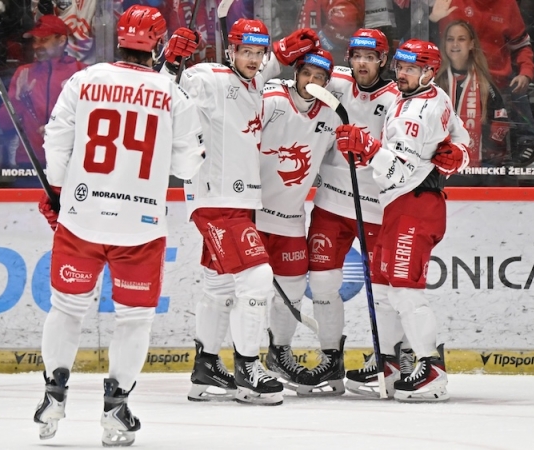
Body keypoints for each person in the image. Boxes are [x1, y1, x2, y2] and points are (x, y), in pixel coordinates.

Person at [33, 5, 205, 446]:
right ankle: (116, 408)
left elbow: (57, 138)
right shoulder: (173, 93)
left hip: (82, 219)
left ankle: (53, 394)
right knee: (134, 320)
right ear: (159, 44)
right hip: (140, 226)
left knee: (67, 309)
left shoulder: (84, 80)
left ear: (119, 38)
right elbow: (188, 165)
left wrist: (58, 190)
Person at [163, 19, 320, 405]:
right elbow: (162, 96)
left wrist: (282, 49)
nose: (252, 59)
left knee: (218, 286)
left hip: (238, 203)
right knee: (258, 277)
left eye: (258, 52)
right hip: (215, 200)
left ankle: (206, 367)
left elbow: (268, 63)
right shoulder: (209, 77)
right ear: (229, 50)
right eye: (244, 51)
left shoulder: (254, 78)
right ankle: (248, 366)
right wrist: (171, 62)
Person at [334, 38, 470, 402]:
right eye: (401, 66)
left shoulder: (416, 115)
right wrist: (461, 153)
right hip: (397, 205)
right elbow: (462, 136)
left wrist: (367, 148)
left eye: (412, 68)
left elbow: (399, 169)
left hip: (415, 204)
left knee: (406, 290)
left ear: (429, 71)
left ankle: (431, 369)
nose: (403, 74)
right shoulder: (431, 95)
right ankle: (389, 363)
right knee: (380, 285)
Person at [300, 28, 412, 398]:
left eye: (371, 57)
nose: (362, 63)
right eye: (357, 56)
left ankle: (395, 356)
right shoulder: (333, 84)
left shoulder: (398, 96)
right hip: (331, 202)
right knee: (322, 284)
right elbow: (292, 87)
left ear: (383, 60)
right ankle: (331, 360)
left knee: (387, 289)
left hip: (379, 207)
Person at [256, 49, 344, 395]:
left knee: (291, 292)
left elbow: (330, 162)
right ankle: (236, 359)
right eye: (307, 73)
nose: (313, 82)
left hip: (291, 218)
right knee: (239, 294)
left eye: (320, 77)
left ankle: (278, 354)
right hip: (253, 213)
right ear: (297, 73)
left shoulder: (333, 116)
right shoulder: (272, 98)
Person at [429, 0, 534, 166]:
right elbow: (424, 40)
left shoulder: (507, 4)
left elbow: (522, 44)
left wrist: (526, 72)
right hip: (453, 79)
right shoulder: (449, 1)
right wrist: (431, 20)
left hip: (497, 81)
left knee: (517, 87)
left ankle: (527, 141)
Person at [0, 14, 86, 187]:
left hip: (69, 163)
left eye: (44, 40)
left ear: (61, 40)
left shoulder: (81, 73)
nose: (37, 46)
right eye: (35, 41)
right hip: (29, 163)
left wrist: (61, 131)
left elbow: (93, 125)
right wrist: (17, 100)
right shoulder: (24, 73)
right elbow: (4, 123)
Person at [435, 20, 509, 167]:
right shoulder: (435, 82)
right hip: (441, 165)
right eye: (450, 39)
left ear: (471, 44)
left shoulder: (485, 84)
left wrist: (489, 155)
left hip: (479, 167)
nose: (455, 44)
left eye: (461, 39)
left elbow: (500, 122)